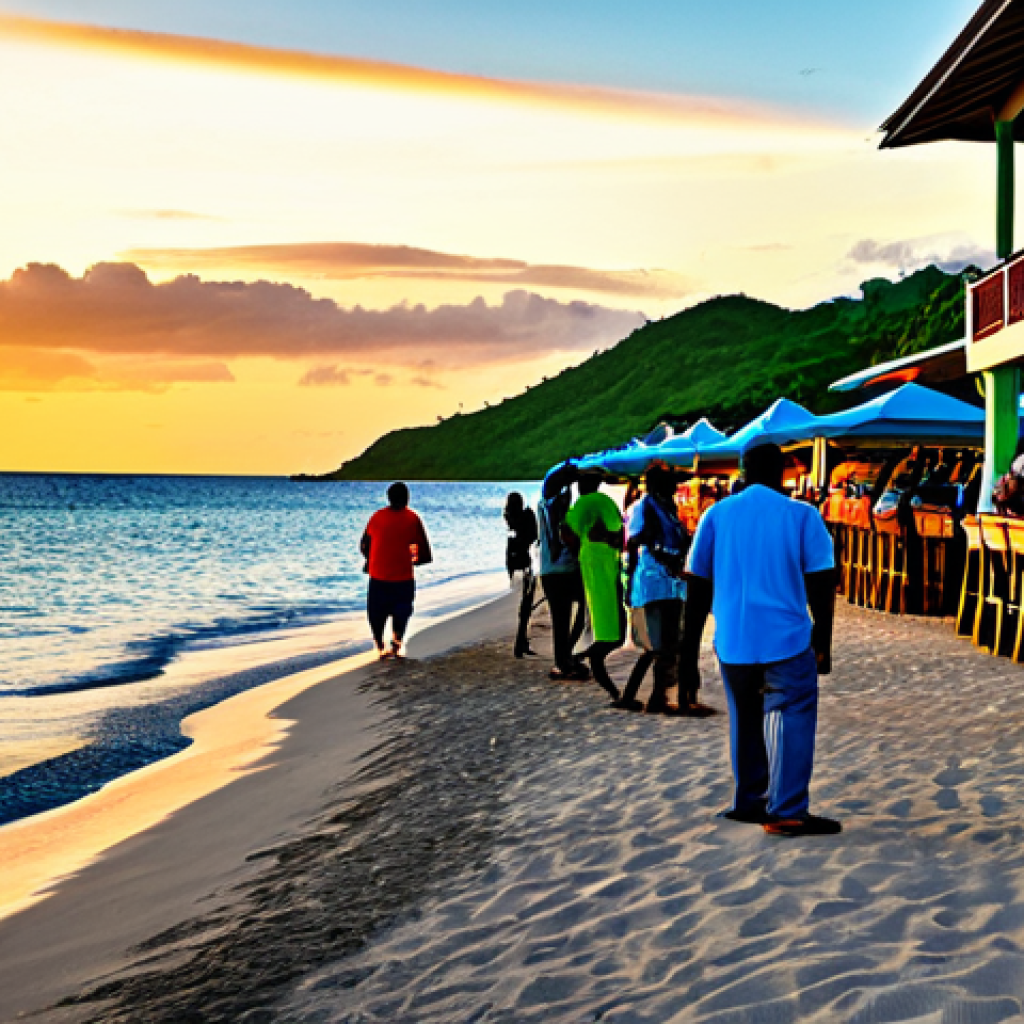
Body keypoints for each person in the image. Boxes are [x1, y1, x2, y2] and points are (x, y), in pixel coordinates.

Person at [682, 443, 840, 837]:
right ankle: (786, 810)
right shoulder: (802, 516)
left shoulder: (715, 516)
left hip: (733, 640)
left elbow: (697, 586)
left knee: (745, 719)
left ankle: (750, 802)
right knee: (792, 716)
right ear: (783, 472)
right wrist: (824, 638)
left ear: (742, 471)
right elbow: (821, 581)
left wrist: (687, 652)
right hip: (786, 638)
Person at [619, 465, 692, 714]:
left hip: (670, 582)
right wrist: (629, 585)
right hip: (653, 581)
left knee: (669, 643)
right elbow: (635, 543)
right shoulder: (645, 507)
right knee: (656, 645)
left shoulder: (666, 508)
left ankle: (657, 695)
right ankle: (647, 696)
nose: (675, 486)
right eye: (671, 482)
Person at [561, 472, 626, 700]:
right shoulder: (606, 503)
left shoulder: (584, 504)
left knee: (608, 631)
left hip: (594, 567)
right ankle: (612, 688)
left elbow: (565, 532)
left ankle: (589, 656)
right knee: (614, 633)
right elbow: (620, 535)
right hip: (607, 567)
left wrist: (580, 545)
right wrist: (607, 539)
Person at [360, 482, 433, 660]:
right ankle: (396, 643)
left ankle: (379, 645)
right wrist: (413, 560)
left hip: (378, 576)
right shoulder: (412, 518)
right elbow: (425, 553)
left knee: (376, 614)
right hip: (402, 578)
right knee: (402, 611)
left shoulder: (376, 517)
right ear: (407, 499)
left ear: (389, 498)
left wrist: (370, 559)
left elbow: (363, 545)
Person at [538, 463, 589, 680]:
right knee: (569, 615)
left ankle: (566, 658)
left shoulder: (547, 504)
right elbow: (562, 537)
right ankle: (564, 660)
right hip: (561, 570)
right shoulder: (553, 507)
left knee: (565, 617)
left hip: (552, 570)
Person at [504, 492, 539, 658]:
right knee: (526, 604)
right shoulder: (527, 516)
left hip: (513, 561)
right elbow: (534, 536)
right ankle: (521, 642)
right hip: (525, 561)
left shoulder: (511, 521)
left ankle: (522, 641)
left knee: (523, 604)